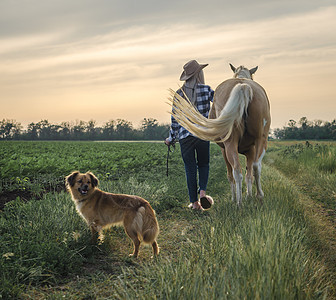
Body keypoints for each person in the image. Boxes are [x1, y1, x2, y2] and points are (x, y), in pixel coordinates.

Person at [165, 60, 214, 210]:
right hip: (202, 134)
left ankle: (194, 203)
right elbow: (220, 104)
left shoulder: (178, 95)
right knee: (203, 164)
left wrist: (171, 138)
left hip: (185, 137)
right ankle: (203, 192)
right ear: (199, 73)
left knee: (190, 169)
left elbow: (175, 120)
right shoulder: (206, 89)